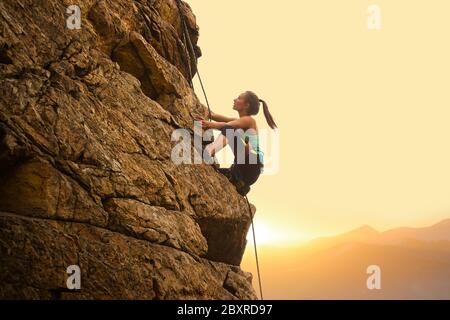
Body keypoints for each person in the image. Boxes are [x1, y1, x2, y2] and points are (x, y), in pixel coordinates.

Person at [194, 91, 277, 196]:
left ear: (246, 105)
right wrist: (199, 106)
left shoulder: (249, 120)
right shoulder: (241, 121)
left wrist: (209, 125)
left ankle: (209, 151)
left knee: (229, 130)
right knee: (219, 172)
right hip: (247, 172)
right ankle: (240, 183)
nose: (234, 100)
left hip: (251, 164)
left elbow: (226, 125)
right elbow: (213, 115)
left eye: (239, 98)